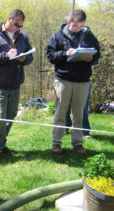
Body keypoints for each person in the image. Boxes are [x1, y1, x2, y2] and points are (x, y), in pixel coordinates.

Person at [46, 10, 100, 155]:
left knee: (79, 114)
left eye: (80, 26)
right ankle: (56, 143)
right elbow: (50, 55)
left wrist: (91, 59)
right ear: (70, 21)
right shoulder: (58, 36)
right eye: (75, 25)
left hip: (83, 81)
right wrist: (65, 53)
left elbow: (97, 55)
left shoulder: (89, 36)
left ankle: (78, 143)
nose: (78, 29)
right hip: (64, 80)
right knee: (60, 113)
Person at [0, 9, 33, 161]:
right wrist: (6, 56)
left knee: (10, 116)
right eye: (17, 24)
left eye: (21, 25)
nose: (19, 27)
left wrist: (23, 59)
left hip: (15, 83)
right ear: (9, 19)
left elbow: (30, 56)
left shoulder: (23, 36)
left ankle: (0, 142)